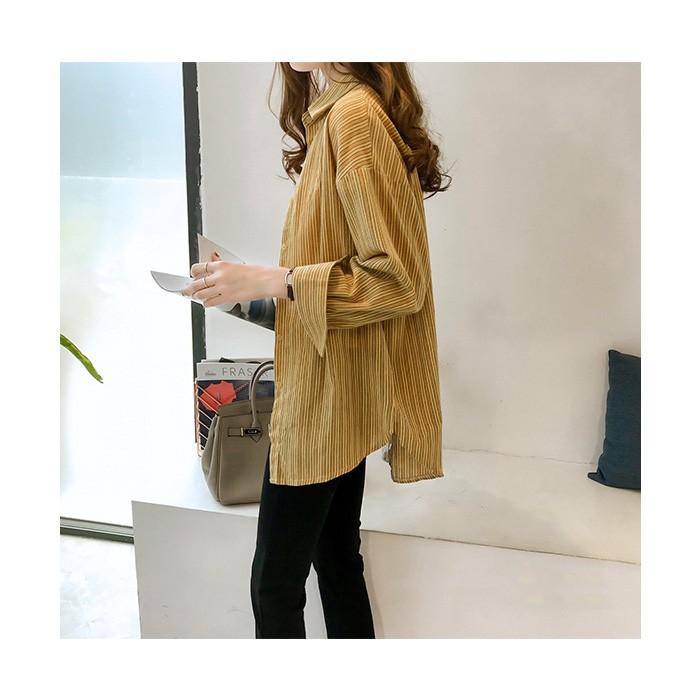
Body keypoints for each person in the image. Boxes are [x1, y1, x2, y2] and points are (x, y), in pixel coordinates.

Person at [183, 62, 451, 638]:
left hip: (323, 406)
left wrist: (272, 279)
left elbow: (396, 283)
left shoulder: (354, 117)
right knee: (336, 561)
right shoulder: (345, 110)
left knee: (275, 586)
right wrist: (252, 289)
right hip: (338, 390)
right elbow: (344, 273)